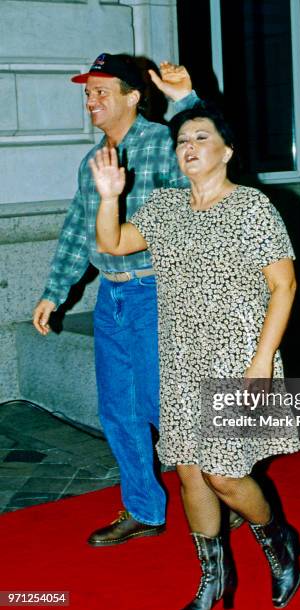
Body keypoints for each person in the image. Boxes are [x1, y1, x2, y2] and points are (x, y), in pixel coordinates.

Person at [91, 103, 300, 610]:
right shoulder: (164, 209)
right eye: (182, 140)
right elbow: (113, 242)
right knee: (188, 470)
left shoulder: (251, 207)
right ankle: (212, 582)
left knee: (223, 474)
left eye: (201, 138)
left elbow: (285, 286)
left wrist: (261, 362)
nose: (188, 147)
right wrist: (108, 198)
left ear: (226, 152)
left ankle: (277, 541)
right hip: (181, 358)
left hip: (238, 359)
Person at [32, 53, 198, 546]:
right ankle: (146, 509)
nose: (91, 100)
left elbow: (207, 153)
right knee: (118, 410)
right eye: (87, 92)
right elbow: (77, 231)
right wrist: (53, 292)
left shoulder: (165, 144)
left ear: (133, 95)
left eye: (102, 91)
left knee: (165, 407)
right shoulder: (93, 161)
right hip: (113, 297)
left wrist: (186, 100)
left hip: (159, 291)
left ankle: (222, 491)